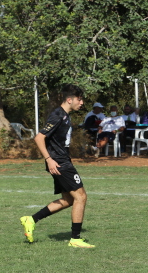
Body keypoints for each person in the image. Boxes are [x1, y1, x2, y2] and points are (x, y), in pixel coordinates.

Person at [20, 84, 95, 248]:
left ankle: (31, 219)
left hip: (62, 160)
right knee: (81, 197)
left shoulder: (65, 116)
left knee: (68, 199)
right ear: (69, 100)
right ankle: (75, 239)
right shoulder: (58, 115)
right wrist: (49, 159)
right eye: (79, 99)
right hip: (59, 162)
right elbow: (39, 138)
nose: (81, 102)